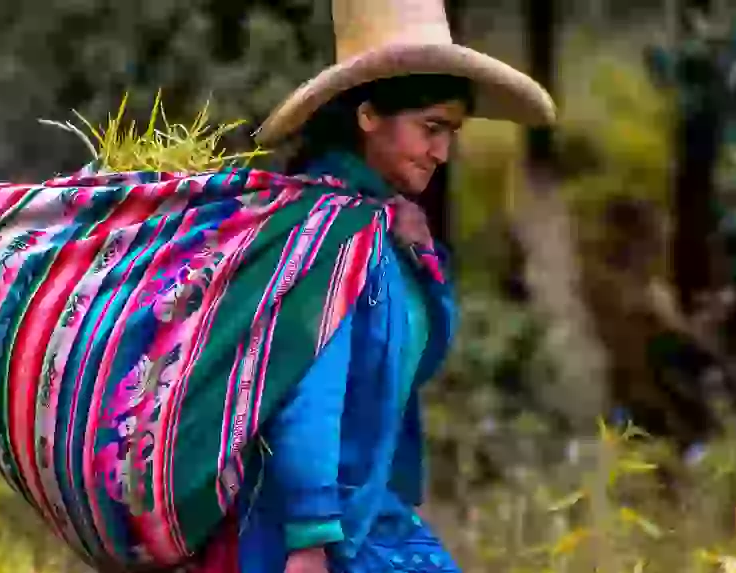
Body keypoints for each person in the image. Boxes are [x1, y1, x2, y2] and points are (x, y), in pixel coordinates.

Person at [203, 1, 556, 571]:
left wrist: (423, 263)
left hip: (368, 516)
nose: (442, 153)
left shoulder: (379, 227)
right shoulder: (326, 233)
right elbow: (307, 392)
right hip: (306, 529)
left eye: (451, 133)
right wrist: (310, 544)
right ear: (368, 116)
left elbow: (416, 364)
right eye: (430, 129)